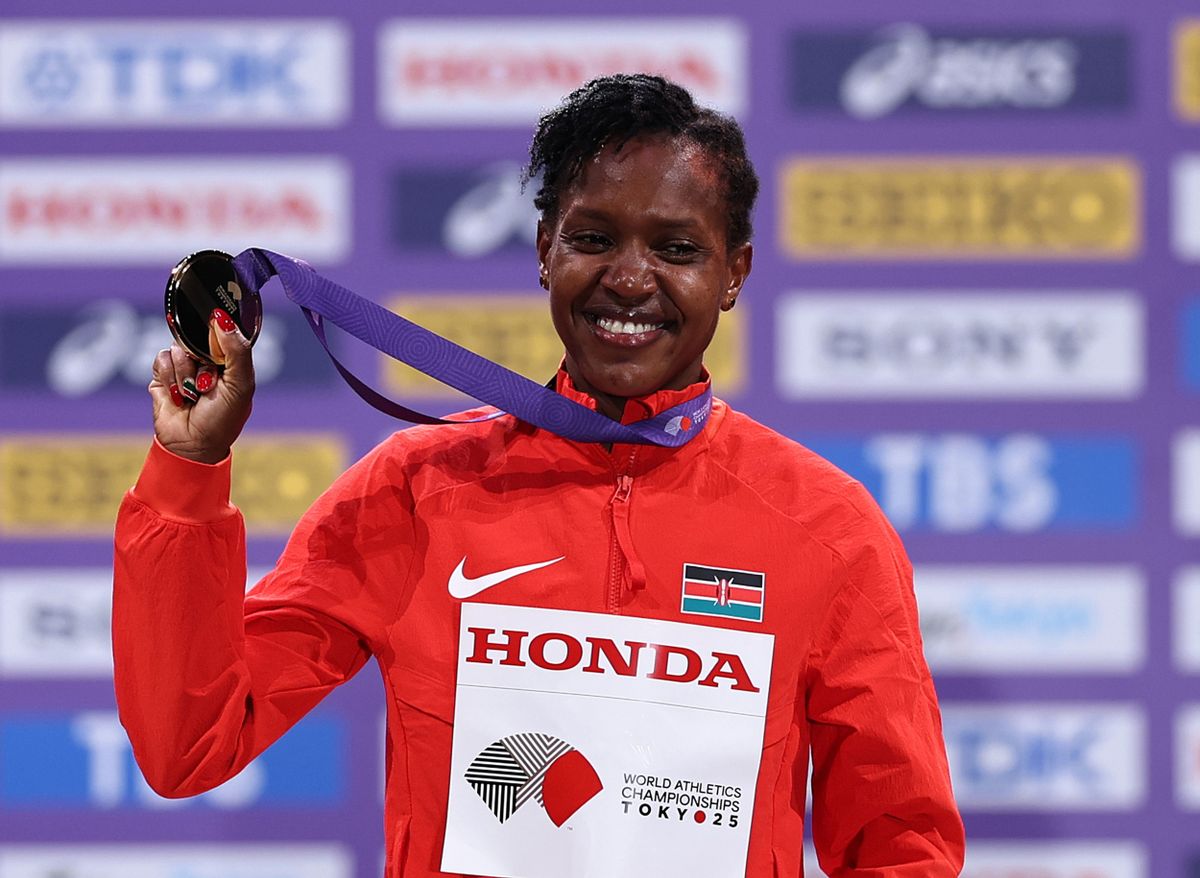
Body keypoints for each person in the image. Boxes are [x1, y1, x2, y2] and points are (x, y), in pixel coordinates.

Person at [113, 74, 964, 877]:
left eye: (676, 248)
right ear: (544, 250)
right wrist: (189, 470)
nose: (629, 280)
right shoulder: (413, 493)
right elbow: (189, 743)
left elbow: (903, 845)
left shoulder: (827, 528)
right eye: (592, 239)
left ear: (733, 272)